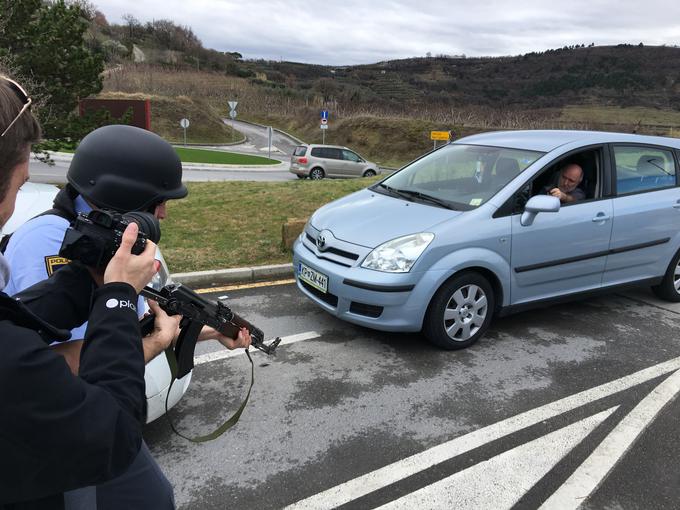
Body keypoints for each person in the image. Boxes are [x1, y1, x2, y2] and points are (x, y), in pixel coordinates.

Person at [3, 123, 252, 509]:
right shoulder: (49, 242)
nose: (165, 214)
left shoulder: (109, 242)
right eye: (159, 202)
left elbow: (126, 326)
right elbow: (65, 367)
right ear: (123, 197)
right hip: (74, 433)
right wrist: (151, 337)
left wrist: (206, 331)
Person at [0, 75, 165, 509]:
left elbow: (20, 320)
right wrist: (117, 297)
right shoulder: (41, 240)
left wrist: (93, 284)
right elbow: (108, 431)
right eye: (19, 186)